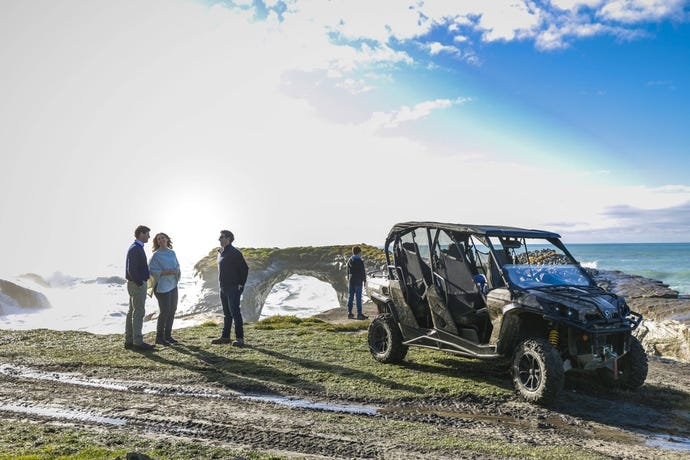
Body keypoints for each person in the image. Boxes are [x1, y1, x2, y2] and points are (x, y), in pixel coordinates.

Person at [212, 230, 249, 347]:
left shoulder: (234, 253)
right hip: (223, 287)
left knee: (235, 313)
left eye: (221, 237)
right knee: (226, 314)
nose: (219, 239)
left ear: (228, 238)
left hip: (233, 287)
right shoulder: (221, 252)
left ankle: (240, 338)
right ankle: (225, 337)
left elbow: (245, 269)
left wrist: (241, 284)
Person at [125, 225, 155, 351]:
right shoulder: (135, 248)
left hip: (134, 284)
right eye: (147, 234)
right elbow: (131, 269)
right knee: (138, 312)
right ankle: (137, 342)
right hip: (137, 284)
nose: (149, 236)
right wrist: (140, 282)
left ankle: (129, 341)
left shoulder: (136, 247)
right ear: (141, 234)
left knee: (132, 311)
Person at [149, 232, 181, 346]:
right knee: (164, 311)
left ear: (167, 239)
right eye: (158, 239)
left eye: (162, 238)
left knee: (172, 309)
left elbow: (177, 266)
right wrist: (165, 272)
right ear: (157, 242)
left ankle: (168, 336)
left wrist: (176, 271)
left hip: (172, 284)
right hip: (161, 286)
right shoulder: (156, 255)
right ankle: (159, 337)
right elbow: (151, 271)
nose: (161, 240)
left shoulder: (172, 253)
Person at [346, 246, 368, 320]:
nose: (361, 254)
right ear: (359, 252)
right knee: (358, 298)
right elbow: (363, 272)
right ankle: (359, 314)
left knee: (350, 297)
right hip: (358, 281)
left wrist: (348, 278)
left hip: (351, 281)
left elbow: (348, 271)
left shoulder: (350, 260)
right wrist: (365, 281)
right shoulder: (360, 261)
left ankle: (349, 313)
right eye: (360, 252)